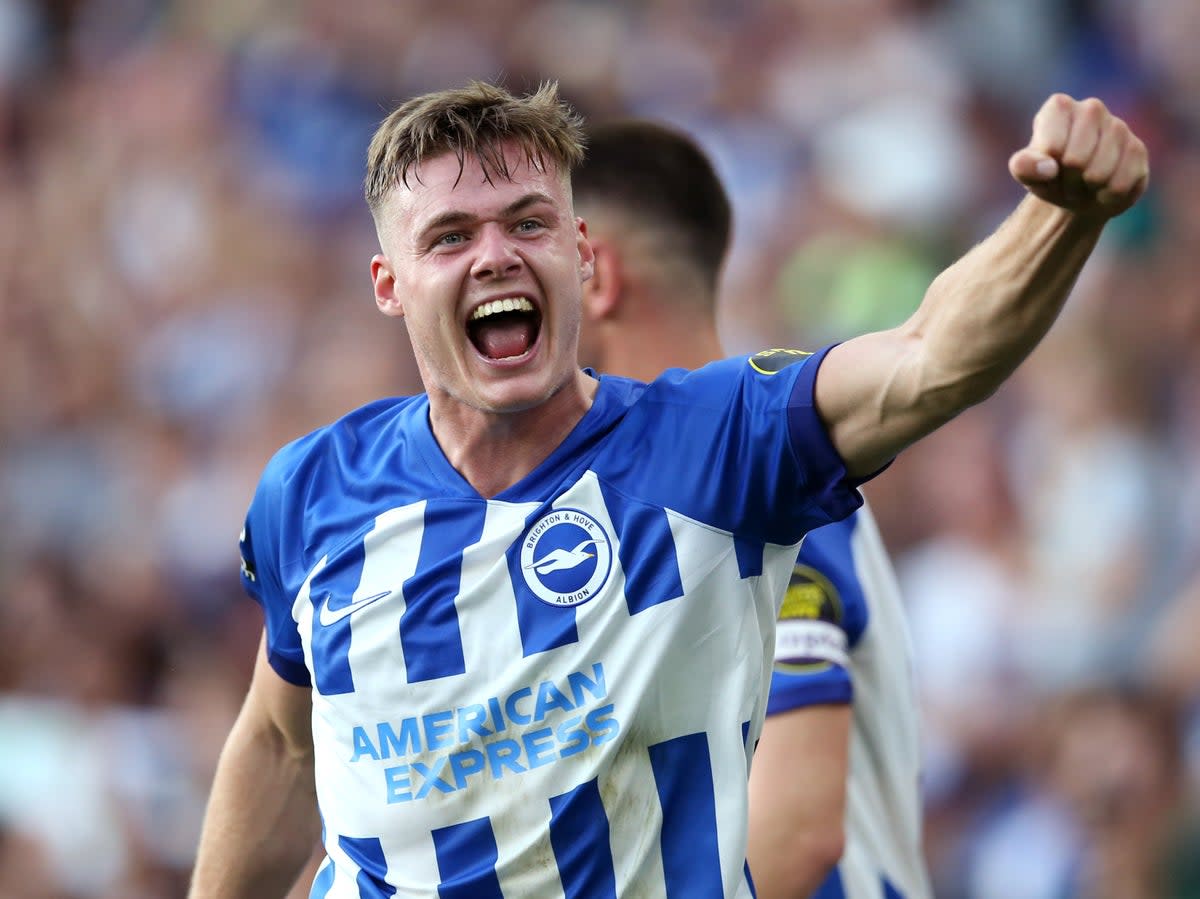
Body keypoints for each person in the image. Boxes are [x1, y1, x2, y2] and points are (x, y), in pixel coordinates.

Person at [188, 80, 1148, 898]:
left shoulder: (715, 446)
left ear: (580, 251)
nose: (497, 256)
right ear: (389, 282)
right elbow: (279, 744)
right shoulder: (310, 490)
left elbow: (931, 357)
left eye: (529, 222)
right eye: (449, 236)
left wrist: (1061, 218)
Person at [571, 119, 931, 898]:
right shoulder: (670, 483)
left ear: (593, 275)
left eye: (535, 245)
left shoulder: (763, 470)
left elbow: (793, 834)